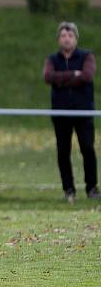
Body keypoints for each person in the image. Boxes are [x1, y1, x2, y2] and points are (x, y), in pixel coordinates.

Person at [42, 21, 100, 203]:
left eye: (70, 36)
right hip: (61, 113)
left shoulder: (87, 56)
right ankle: (68, 189)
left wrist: (62, 79)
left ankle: (92, 188)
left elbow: (87, 76)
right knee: (63, 151)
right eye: (63, 36)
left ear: (76, 38)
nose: (66, 39)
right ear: (58, 39)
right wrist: (73, 75)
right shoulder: (52, 59)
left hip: (83, 113)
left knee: (88, 149)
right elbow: (48, 77)